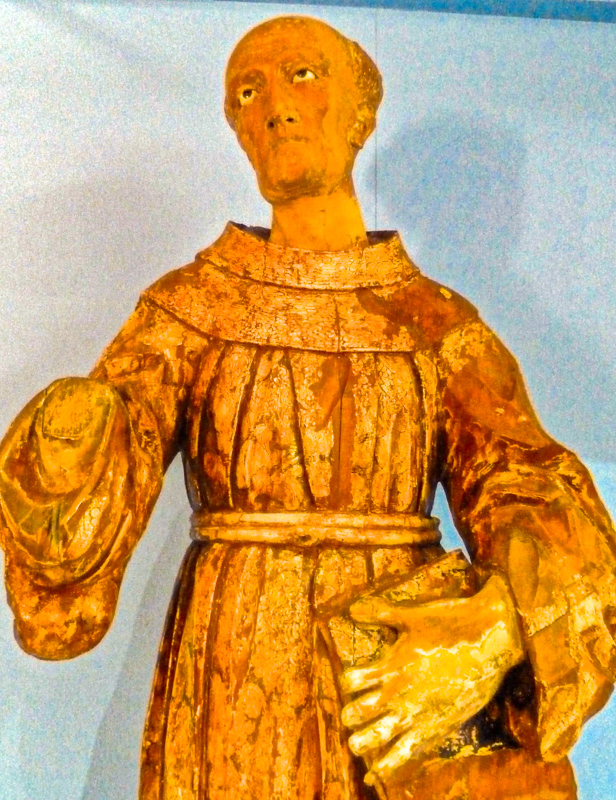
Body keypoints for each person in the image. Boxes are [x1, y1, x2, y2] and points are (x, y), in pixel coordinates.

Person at [1, 15, 615, 800]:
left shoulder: (434, 325)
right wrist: (71, 441)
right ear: (239, 133)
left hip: (395, 671)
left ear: (360, 112)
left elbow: (529, 485)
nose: (276, 107)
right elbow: (94, 484)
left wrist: (501, 621)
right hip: (235, 659)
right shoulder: (191, 309)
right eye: (247, 92)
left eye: (302, 76)